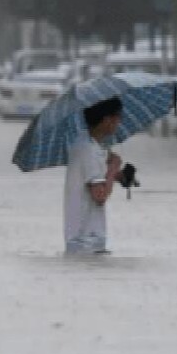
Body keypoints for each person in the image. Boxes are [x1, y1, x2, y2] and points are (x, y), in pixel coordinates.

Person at [64, 97, 123, 255]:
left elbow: (93, 178)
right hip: (87, 241)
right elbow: (99, 196)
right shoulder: (90, 151)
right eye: (118, 117)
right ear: (106, 120)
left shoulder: (83, 144)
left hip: (79, 238)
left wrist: (117, 174)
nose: (120, 122)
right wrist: (112, 168)